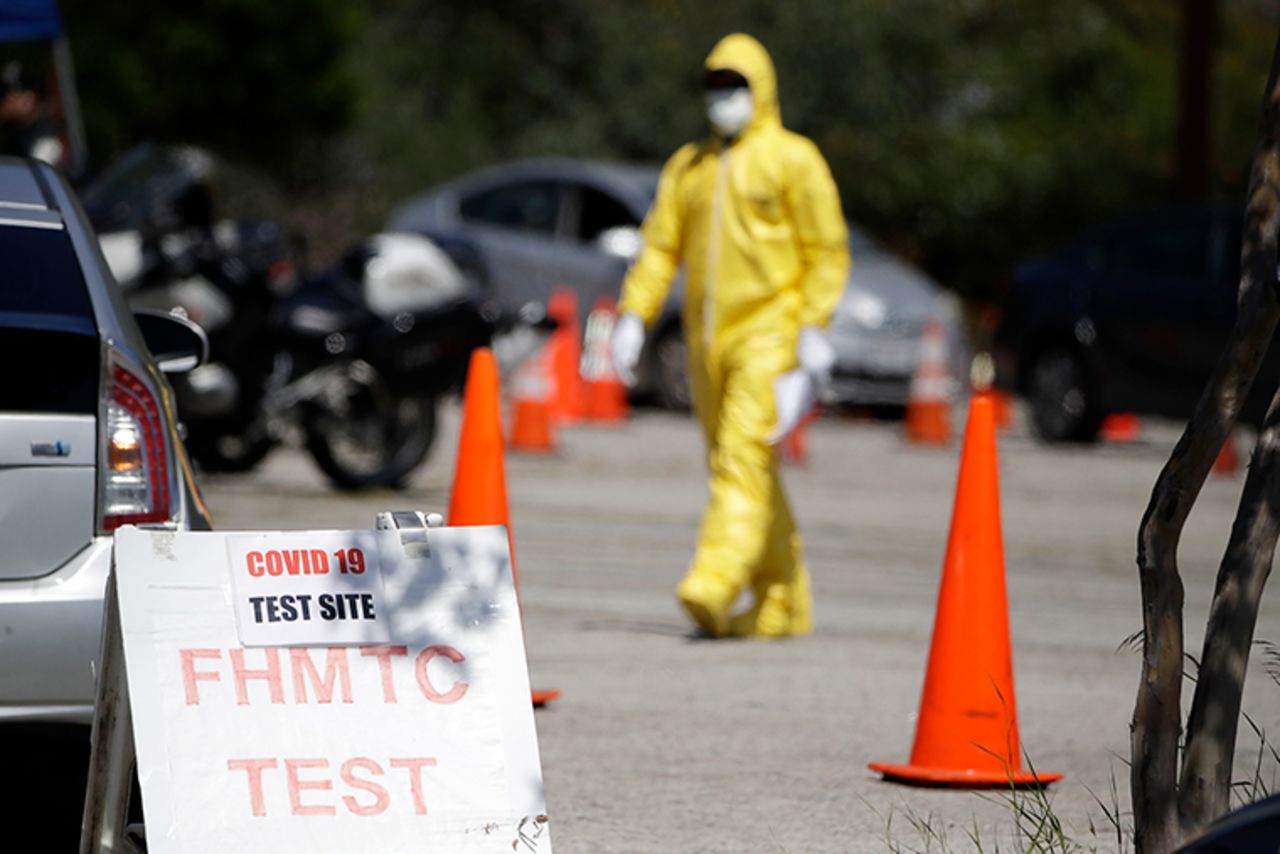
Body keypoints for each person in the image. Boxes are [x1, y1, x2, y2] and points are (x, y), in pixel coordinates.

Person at [612, 33, 850, 638]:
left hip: (769, 333)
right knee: (741, 466)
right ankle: (782, 602)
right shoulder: (688, 166)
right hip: (705, 343)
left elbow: (825, 250)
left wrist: (813, 329)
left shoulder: (793, 159)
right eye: (713, 85)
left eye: (734, 85)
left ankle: (713, 581)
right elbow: (661, 247)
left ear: (760, 89)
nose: (722, 97)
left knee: (741, 458)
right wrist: (634, 315)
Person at [0, 62, 65, 167]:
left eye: (18, 93)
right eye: (7, 95)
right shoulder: (11, 131)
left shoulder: (46, 133)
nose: (11, 100)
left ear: (32, 96)